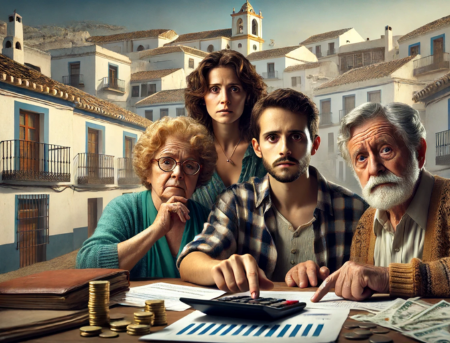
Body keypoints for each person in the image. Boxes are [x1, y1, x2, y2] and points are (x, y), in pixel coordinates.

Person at [311, 102, 450, 302]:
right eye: (361, 158)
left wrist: (392, 279)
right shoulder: (365, 224)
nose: (373, 168)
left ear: (420, 152)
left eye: (386, 150)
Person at [178, 89, 368, 297]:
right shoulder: (236, 201)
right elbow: (189, 261)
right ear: (257, 148)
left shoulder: (355, 210)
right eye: (272, 138)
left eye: (295, 136)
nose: (284, 149)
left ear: (314, 145)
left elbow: (371, 279)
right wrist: (222, 268)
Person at [76, 116, 217, 279]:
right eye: (166, 162)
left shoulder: (208, 219)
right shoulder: (124, 209)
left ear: (199, 177)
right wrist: (156, 229)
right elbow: (85, 265)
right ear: (147, 171)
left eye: (190, 166)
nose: (177, 173)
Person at [185, 50, 268, 210]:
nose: (225, 99)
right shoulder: (190, 153)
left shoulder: (265, 151)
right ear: (202, 97)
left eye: (234, 89)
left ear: (247, 95)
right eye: (215, 89)